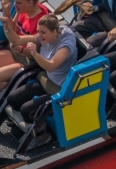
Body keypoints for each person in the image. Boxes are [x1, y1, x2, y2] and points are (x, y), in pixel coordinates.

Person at [4, 14, 78, 144]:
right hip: (47, 81)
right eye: (38, 31)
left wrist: (34, 53)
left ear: (54, 31)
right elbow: (17, 39)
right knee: (12, 99)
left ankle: (43, 137)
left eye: (43, 32)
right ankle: (22, 125)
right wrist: (7, 28)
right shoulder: (46, 36)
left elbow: (51, 66)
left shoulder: (65, 46)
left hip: (60, 90)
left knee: (26, 110)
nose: (39, 35)